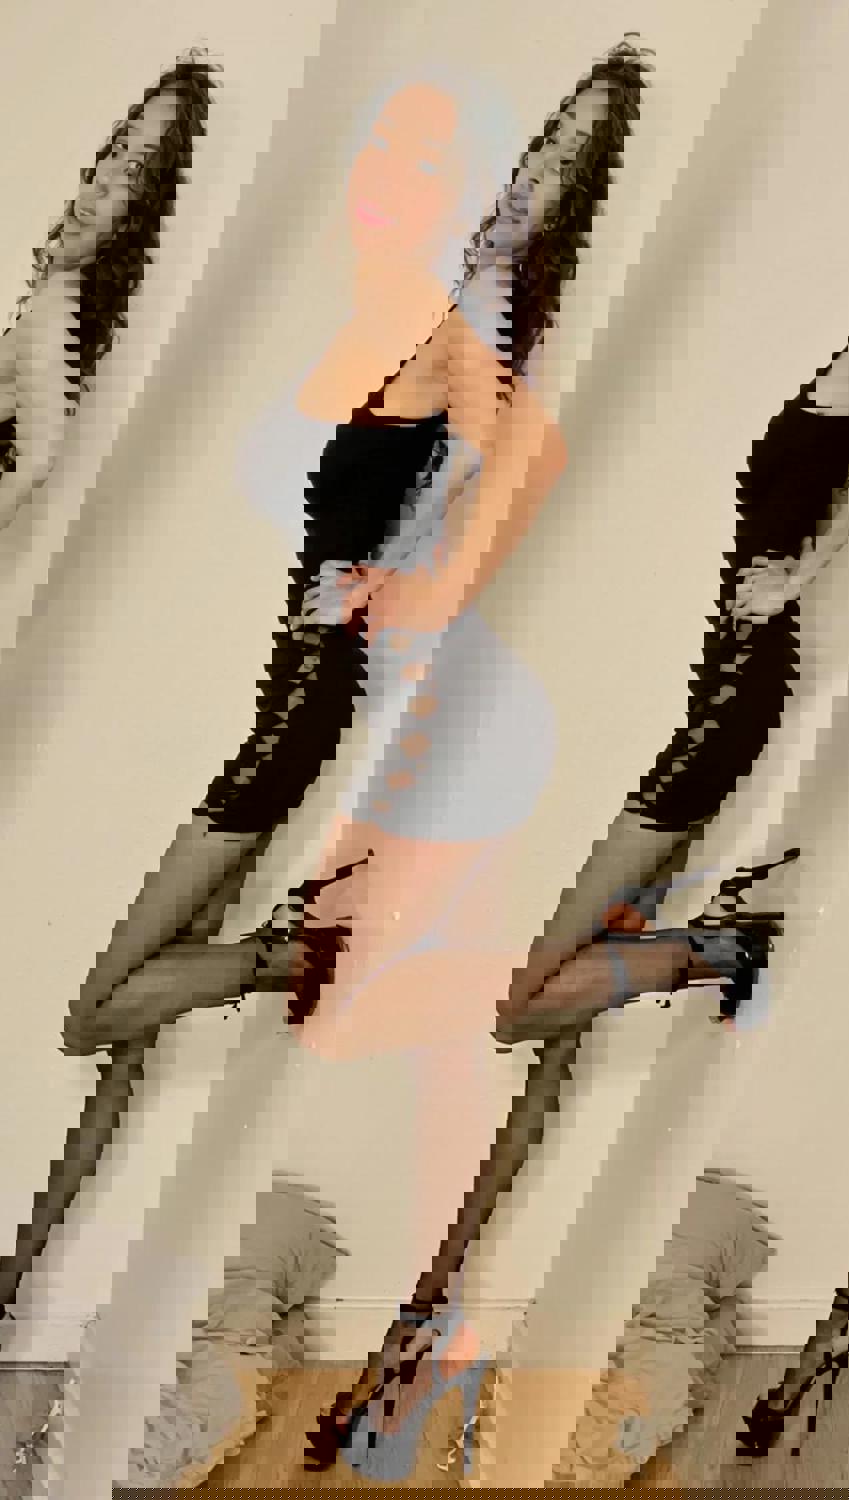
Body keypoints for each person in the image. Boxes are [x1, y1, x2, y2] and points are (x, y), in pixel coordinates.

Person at [61, 37, 652, 1060]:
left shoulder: (479, 331)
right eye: (534, 159)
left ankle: (303, 951)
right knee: (106, 1011)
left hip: (317, 666)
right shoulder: (465, 329)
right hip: (309, 666)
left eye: (556, 173)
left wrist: (377, 568)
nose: (518, 193)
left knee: (94, 1019)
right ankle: (293, 950)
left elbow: (463, 468)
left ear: (562, 210)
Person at [0, 48, 218, 528]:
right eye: (117, 152)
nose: (102, 183)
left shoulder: (57, 309)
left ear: (142, 209)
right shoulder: (58, 291)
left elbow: (34, 462)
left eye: (133, 174)